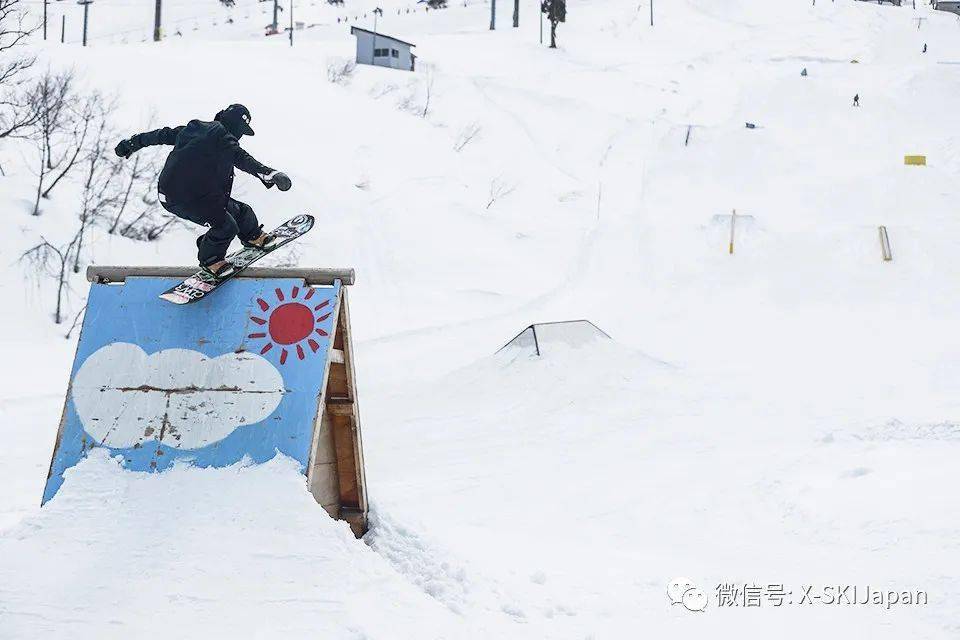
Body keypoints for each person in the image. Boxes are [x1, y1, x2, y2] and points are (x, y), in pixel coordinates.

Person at [114, 104, 292, 277]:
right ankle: (211, 260)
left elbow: (161, 135)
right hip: (184, 198)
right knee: (225, 227)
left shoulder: (194, 129)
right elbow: (243, 159)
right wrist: (271, 174)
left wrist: (132, 143)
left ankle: (252, 235)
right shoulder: (224, 138)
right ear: (237, 127)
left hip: (186, 194)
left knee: (242, 211)